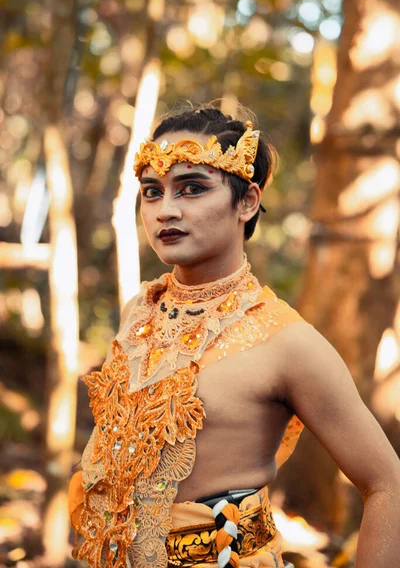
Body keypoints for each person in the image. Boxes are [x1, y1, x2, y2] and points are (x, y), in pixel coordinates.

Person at [68, 106, 400, 568]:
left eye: (192, 188)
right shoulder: (140, 310)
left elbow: (389, 485)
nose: (166, 210)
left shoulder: (287, 342)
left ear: (246, 201)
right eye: (152, 192)